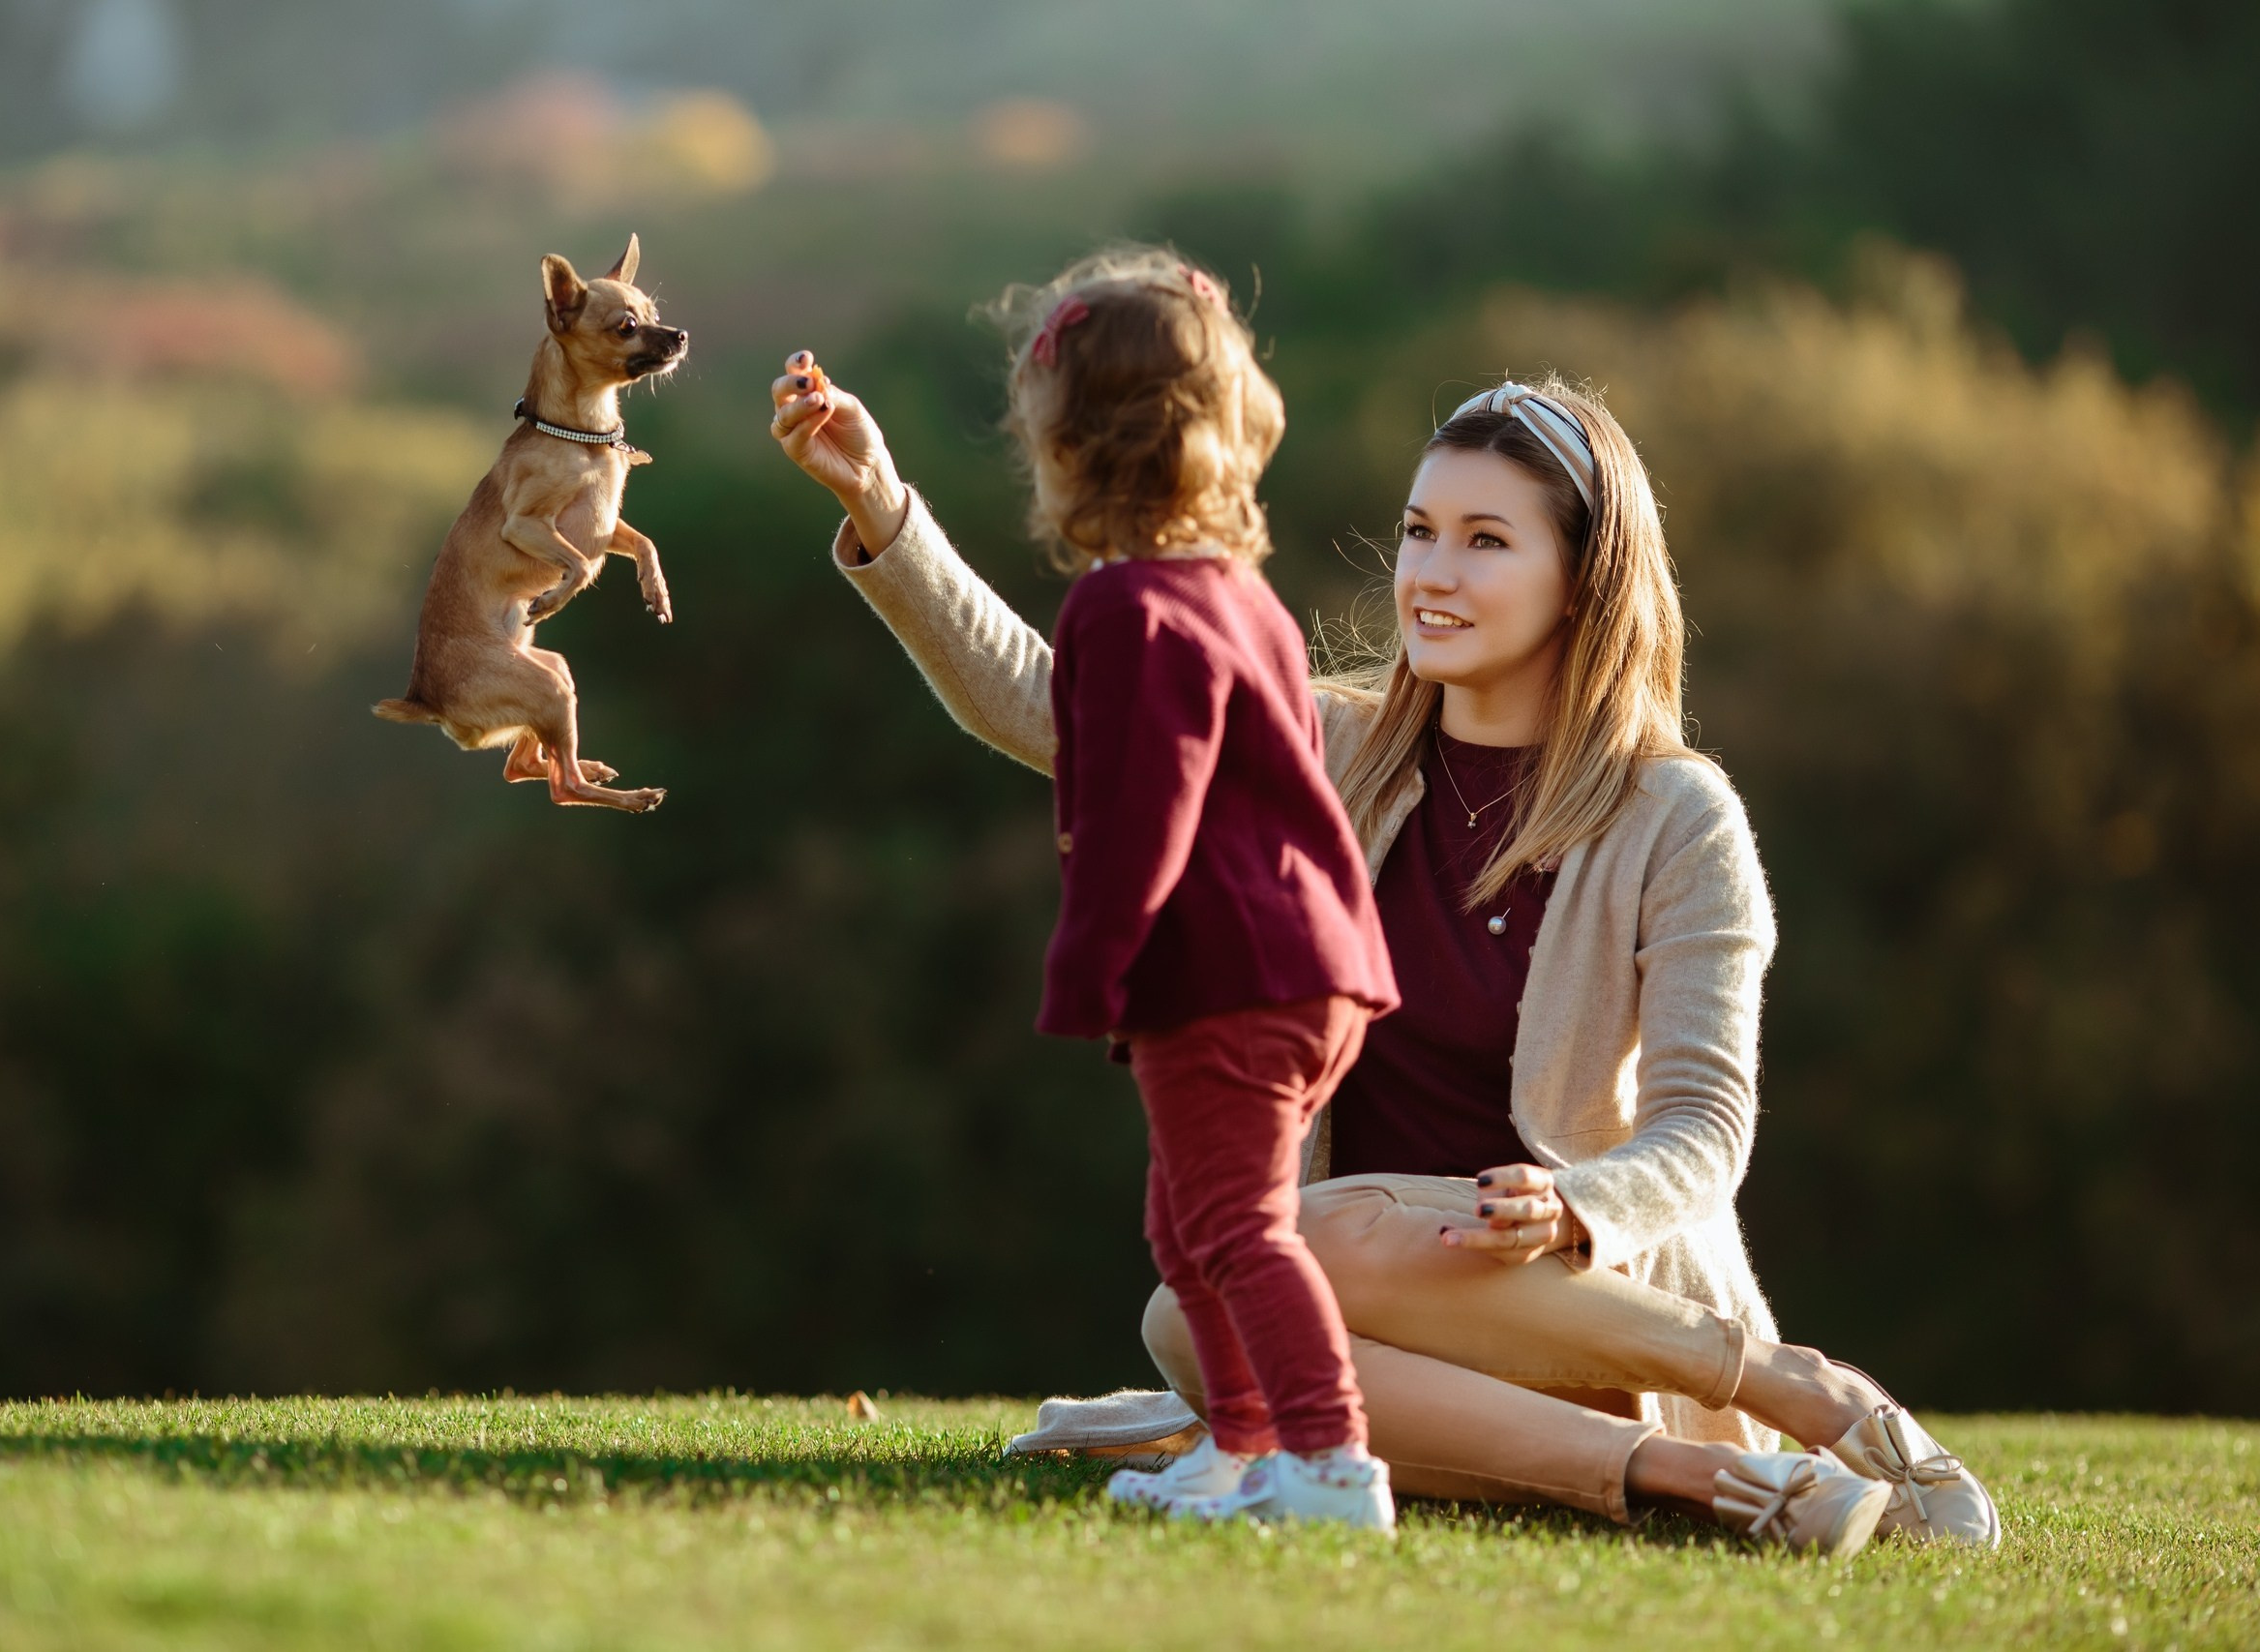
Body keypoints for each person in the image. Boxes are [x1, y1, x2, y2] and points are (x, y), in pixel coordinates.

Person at [769, 279, 1998, 1554]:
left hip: (1574, 1301)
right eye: (1420, 531)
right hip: (1382, 1319)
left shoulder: (1677, 818)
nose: (1432, 572)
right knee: (1197, 1314)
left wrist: (1582, 1204)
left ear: (1583, 580)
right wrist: (885, 510)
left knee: (1274, 1249)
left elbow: (1705, 1125)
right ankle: (1713, 1488)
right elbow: (1055, 705)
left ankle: (1779, 1388)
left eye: (1486, 540)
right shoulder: (1336, 742)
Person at [787, 249, 1407, 1529]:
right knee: (1192, 1238)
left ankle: (1331, 1462)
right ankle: (1238, 1447)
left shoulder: (1129, 611)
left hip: (1233, 976)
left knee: (1237, 1232)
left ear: (1073, 452)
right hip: (1306, 969)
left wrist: (1089, 970)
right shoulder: (1244, 601)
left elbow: (1146, 816)